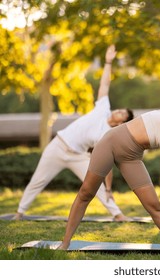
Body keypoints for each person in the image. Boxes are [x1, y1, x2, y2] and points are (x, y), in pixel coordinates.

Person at [58, 16, 160, 252]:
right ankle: (65, 243)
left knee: (155, 208)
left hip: (131, 157)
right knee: (86, 193)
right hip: (110, 143)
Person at [14, 45, 134, 222]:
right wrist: (108, 62)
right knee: (37, 181)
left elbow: (106, 165)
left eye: (122, 114)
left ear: (122, 122)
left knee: (96, 184)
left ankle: (117, 214)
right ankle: (19, 213)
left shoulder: (108, 135)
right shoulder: (103, 108)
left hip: (78, 156)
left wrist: (109, 188)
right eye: (120, 110)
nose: (118, 111)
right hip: (58, 146)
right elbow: (105, 84)